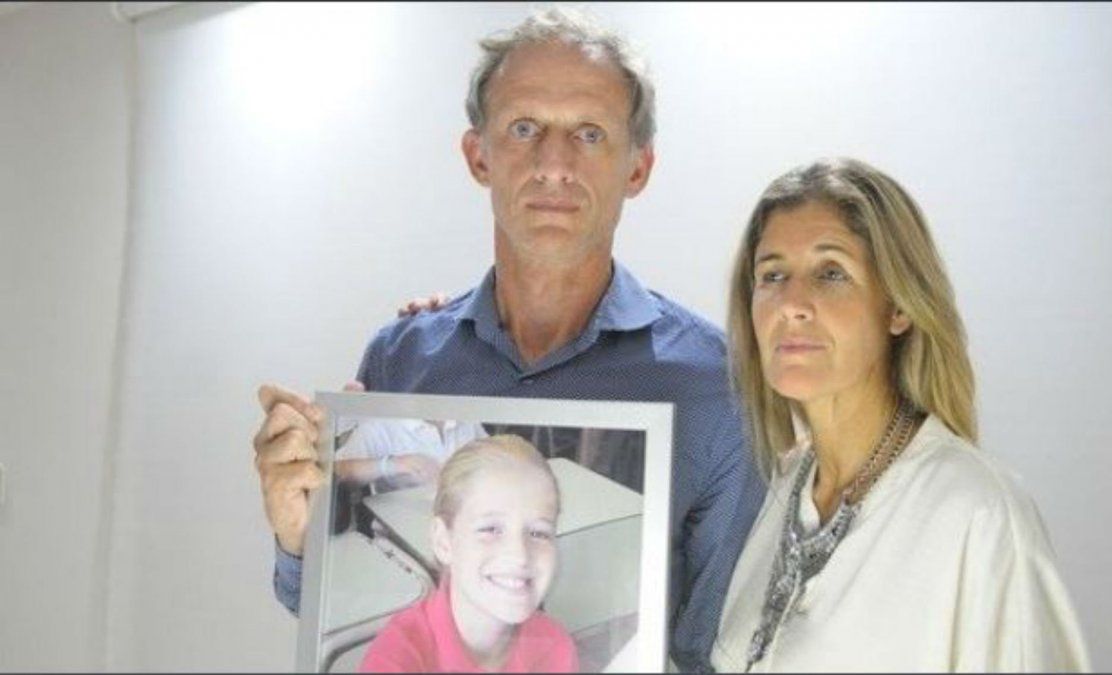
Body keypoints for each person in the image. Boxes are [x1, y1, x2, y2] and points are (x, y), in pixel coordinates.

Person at [251, 7, 764, 670]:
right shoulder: (400, 357)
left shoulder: (718, 387)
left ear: (637, 168)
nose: (554, 164)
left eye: (589, 133)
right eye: (524, 128)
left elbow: (718, 653)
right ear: (478, 155)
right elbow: (325, 608)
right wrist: (300, 537)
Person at [711, 157, 1091, 671]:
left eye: (830, 273)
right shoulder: (781, 489)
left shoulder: (978, 513)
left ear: (898, 308)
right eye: (772, 275)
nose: (791, 304)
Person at [358, 435, 577, 673]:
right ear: (443, 542)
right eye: (490, 529)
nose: (520, 555)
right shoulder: (395, 660)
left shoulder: (556, 646)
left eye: (538, 533)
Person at [334, 418, 487, 489]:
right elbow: (336, 471)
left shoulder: (467, 418)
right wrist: (393, 465)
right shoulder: (378, 425)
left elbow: (490, 454)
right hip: (400, 527)